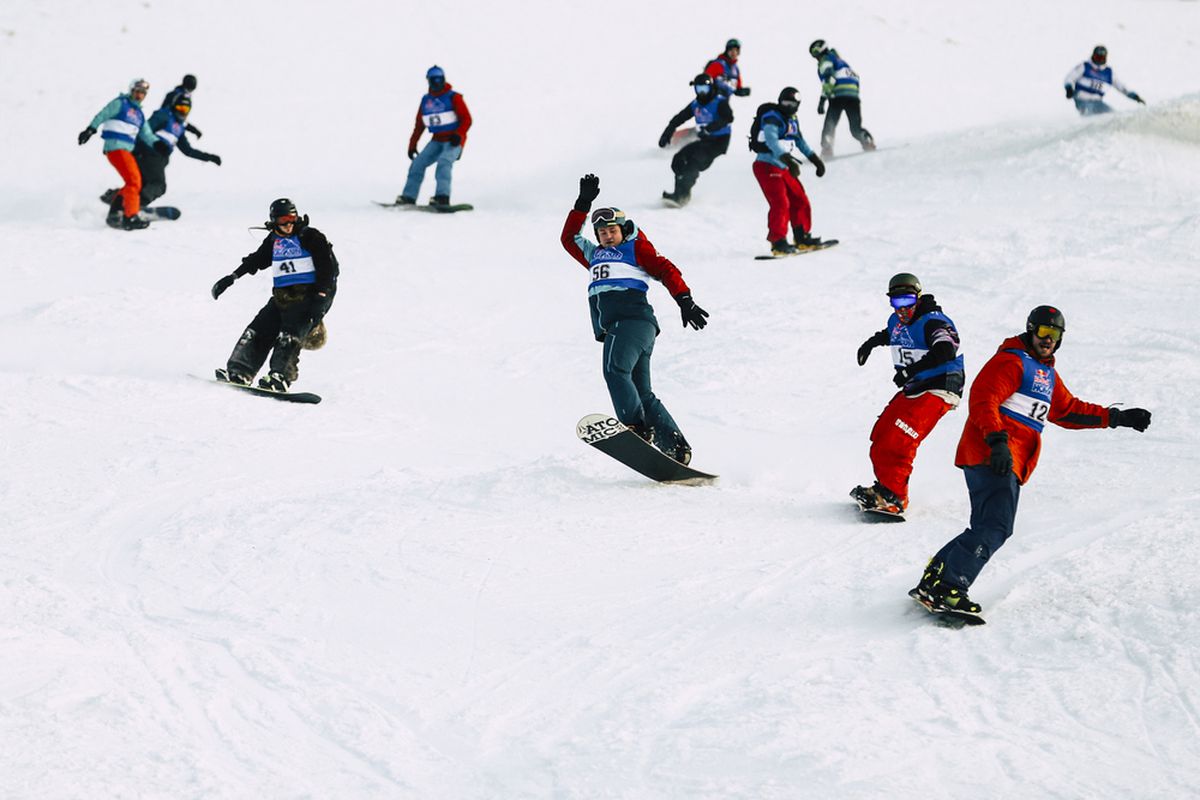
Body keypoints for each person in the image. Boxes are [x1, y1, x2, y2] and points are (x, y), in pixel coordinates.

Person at [911, 305, 1153, 615]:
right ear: (1030, 330)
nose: (1048, 339)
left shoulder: (1046, 374)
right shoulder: (1012, 362)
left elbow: (1068, 410)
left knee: (987, 526)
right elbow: (984, 400)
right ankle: (949, 587)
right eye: (1043, 331)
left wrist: (1117, 418)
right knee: (996, 526)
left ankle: (936, 579)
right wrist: (997, 441)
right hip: (993, 454)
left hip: (1005, 456)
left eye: (1055, 334)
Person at [560, 174, 709, 465]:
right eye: (601, 232)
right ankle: (675, 446)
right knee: (642, 392)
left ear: (623, 229)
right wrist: (582, 204)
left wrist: (684, 299)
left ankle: (636, 427)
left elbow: (665, 269)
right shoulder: (594, 255)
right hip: (635, 328)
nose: (606, 236)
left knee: (614, 370)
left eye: (612, 230)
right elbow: (569, 239)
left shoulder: (635, 248)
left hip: (629, 322)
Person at [852, 273, 964, 515]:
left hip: (939, 387)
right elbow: (891, 333)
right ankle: (884, 488)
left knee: (900, 439)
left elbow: (946, 350)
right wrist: (870, 343)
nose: (902, 308)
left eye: (908, 301)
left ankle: (895, 497)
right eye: (896, 301)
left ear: (918, 298)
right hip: (915, 388)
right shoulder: (897, 321)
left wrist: (909, 371)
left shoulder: (934, 321)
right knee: (882, 435)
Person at [210, 199, 339, 392]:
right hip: (283, 297)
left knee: (289, 334)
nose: (288, 224)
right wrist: (232, 277)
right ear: (274, 221)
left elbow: (327, 268)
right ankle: (240, 371)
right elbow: (256, 260)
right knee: (258, 329)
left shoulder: (310, 236)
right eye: (283, 220)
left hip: (310, 296)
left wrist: (321, 297)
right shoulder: (274, 240)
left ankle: (281, 376)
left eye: (292, 219)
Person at [102, 95, 221, 213]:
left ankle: (116, 201)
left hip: (156, 158)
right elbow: (143, 131)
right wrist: (129, 148)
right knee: (158, 185)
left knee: (141, 184)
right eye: (179, 107)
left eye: (185, 109)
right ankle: (136, 206)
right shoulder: (164, 116)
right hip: (151, 153)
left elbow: (188, 150)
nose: (182, 111)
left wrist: (209, 157)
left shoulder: (179, 128)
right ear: (173, 106)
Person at [78, 78, 165, 230]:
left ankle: (115, 212)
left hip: (126, 151)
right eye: (137, 92)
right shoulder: (121, 103)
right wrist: (90, 129)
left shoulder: (139, 115)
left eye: (142, 93)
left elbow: (146, 134)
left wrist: (158, 144)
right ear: (131, 91)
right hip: (116, 148)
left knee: (133, 182)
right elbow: (103, 115)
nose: (139, 95)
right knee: (134, 181)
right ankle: (130, 217)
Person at [749, 87, 827, 255]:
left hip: (783, 166)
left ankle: (801, 236)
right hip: (767, 165)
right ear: (780, 101)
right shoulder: (772, 118)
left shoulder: (792, 120)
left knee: (799, 198)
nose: (788, 107)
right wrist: (788, 160)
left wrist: (815, 159)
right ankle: (778, 241)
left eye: (792, 104)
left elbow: (799, 141)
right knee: (780, 202)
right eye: (785, 103)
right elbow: (772, 140)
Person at [395, 66, 473, 208]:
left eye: (439, 79)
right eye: (434, 80)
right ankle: (408, 197)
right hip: (437, 141)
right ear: (429, 81)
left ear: (443, 80)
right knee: (417, 164)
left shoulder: (454, 97)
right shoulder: (426, 101)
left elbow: (467, 119)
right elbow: (419, 125)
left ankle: (442, 197)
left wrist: (459, 134)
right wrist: (412, 145)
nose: (437, 83)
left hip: (453, 141)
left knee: (444, 162)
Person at [657, 74, 734, 206]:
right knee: (679, 159)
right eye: (699, 89)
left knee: (693, 163)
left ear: (711, 87)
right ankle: (679, 193)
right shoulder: (696, 104)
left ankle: (682, 196)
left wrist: (710, 128)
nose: (702, 92)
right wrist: (667, 133)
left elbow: (728, 118)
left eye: (704, 88)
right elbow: (679, 118)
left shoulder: (719, 101)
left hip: (719, 142)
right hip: (704, 141)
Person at [808, 39, 875, 159]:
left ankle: (827, 148)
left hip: (838, 96)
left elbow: (829, 78)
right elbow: (856, 78)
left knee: (830, 123)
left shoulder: (826, 60)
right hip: (853, 97)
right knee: (855, 128)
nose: (815, 57)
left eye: (816, 52)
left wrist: (822, 100)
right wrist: (853, 94)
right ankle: (866, 140)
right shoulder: (842, 62)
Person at [1064, 45, 1145, 116]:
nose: (1099, 60)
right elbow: (1069, 78)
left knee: (1112, 115)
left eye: (1102, 58)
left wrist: (1135, 96)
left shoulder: (1109, 73)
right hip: (1082, 99)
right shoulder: (1084, 66)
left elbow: (1122, 87)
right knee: (1089, 114)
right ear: (1093, 56)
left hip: (1097, 102)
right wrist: (1069, 89)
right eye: (1098, 57)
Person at [159, 74, 204, 139]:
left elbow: (183, 120)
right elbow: (163, 111)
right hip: (165, 127)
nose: (189, 91)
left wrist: (194, 130)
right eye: (189, 89)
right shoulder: (175, 95)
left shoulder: (188, 99)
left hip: (176, 129)